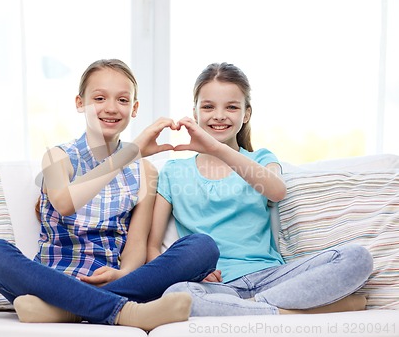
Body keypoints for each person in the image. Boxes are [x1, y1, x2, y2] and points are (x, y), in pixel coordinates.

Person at [0, 59, 219, 330]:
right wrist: (127, 155)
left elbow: (136, 243)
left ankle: (65, 310)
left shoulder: (145, 171)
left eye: (123, 100)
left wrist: (124, 272)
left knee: (203, 248)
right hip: (49, 280)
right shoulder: (58, 156)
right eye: (99, 98)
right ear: (80, 103)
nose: (112, 108)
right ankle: (125, 312)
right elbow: (65, 204)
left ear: (134, 108)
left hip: (113, 280)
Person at [147, 62, 374, 316]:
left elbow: (276, 191)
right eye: (208, 107)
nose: (219, 115)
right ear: (195, 112)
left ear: (246, 114)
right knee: (178, 295)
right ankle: (288, 312)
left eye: (231, 107)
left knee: (357, 258)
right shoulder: (173, 171)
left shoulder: (261, 159)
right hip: (215, 286)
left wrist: (217, 148)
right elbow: (153, 247)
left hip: (272, 277)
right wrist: (189, 271)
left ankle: (250, 309)